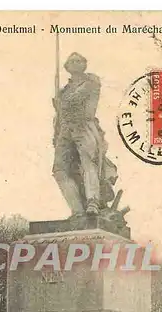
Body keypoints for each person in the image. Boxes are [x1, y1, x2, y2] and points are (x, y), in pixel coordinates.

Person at [52, 52, 118, 217]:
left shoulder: (91, 82)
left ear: (84, 64)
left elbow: (78, 99)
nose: (75, 63)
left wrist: (61, 101)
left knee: (89, 163)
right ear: (66, 67)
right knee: (59, 170)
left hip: (84, 126)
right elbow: (59, 116)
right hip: (66, 130)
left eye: (78, 60)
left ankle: (93, 202)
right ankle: (77, 210)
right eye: (71, 61)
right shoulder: (64, 90)